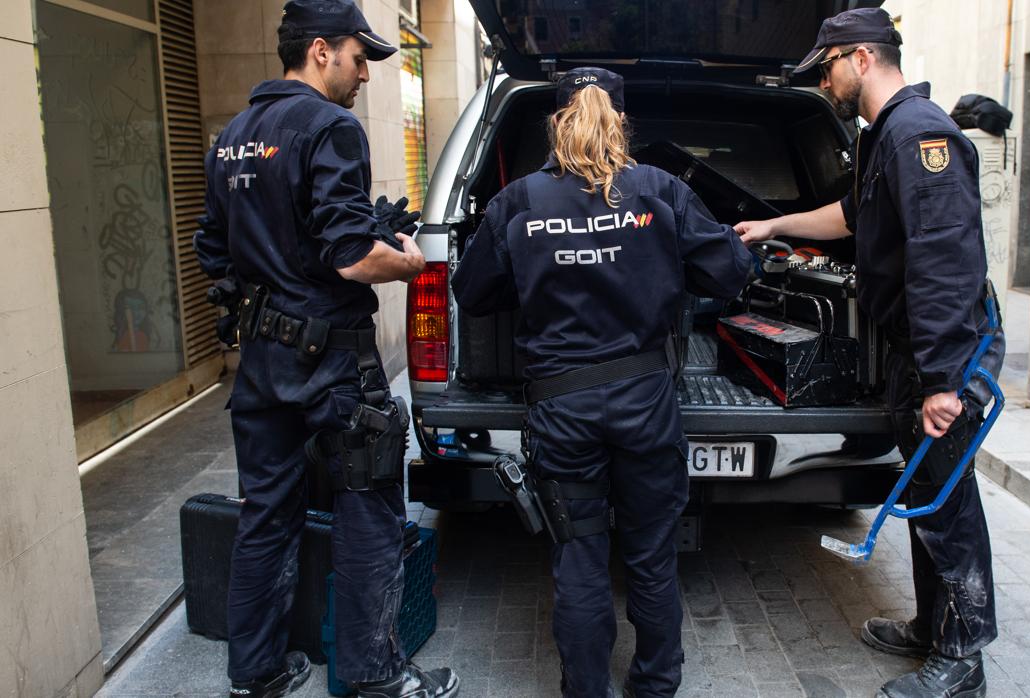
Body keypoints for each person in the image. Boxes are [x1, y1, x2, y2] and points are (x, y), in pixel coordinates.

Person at [451, 67, 751, 698]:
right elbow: (729, 273)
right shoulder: (660, 192)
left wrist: (535, 271)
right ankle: (655, 686)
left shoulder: (520, 201)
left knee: (580, 559)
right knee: (650, 555)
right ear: (620, 120)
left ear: (557, 121)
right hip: (646, 406)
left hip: (561, 411)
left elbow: (472, 292)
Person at [735, 9, 1003, 698]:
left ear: (859, 58)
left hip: (940, 356)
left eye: (825, 69)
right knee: (920, 492)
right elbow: (850, 217)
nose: (823, 84)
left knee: (946, 502)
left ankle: (962, 661)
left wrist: (943, 382)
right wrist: (774, 222)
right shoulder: (884, 137)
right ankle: (931, 627)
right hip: (916, 353)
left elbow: (945, 265)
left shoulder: (919, 139)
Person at [194, 2, 458, 696]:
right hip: (331, 364)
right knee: (367, 508)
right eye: (358, 55)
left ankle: (255, 675)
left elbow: (212, 252)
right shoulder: (328, 127)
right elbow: (350, 258)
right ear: (319, 51)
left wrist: (278, 280)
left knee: (265, 512)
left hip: (261, 362)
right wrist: (407, 261)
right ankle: (375, 680)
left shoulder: (231, 137)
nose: (366, 72)